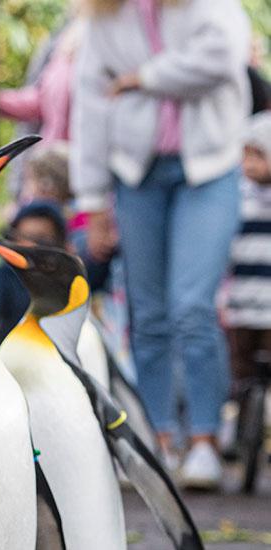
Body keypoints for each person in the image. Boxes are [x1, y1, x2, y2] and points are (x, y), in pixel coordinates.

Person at [71, 0, 251, 487]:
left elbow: (223, 58)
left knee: (193, 305)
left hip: (210, 172)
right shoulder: (104, 17)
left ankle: (205, 441)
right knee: (146, 313)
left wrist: (142, 78)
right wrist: (93, 202)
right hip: (137, 176)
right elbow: (89, 106)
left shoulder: (211, 8)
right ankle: (156, 439)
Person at [224, 112, 271, 390]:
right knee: (242, 370)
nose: (250, 165)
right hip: (241, 305)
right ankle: (245, 425)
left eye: (259, 156)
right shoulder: (237, 198)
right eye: (246, 156)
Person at [0, 202, 68, 345]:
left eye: (40, 239)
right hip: (14, 357)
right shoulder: (7, 275)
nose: (29, 246)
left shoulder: (68, 277)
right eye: (21, 238)